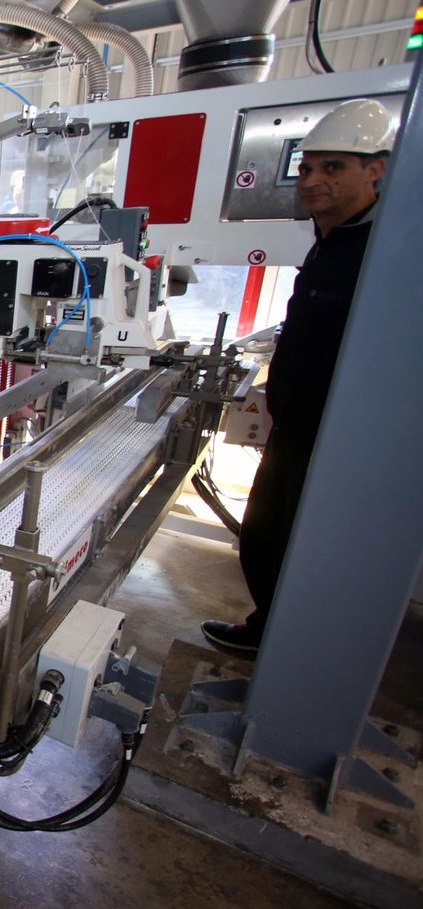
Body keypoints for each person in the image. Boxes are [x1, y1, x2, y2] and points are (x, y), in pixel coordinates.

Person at [202, 99, 394, 657]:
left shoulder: (384, 250)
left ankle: (295, 657)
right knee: (265, 536)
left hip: (342, 441)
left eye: (333, 167)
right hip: (297, 427)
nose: (312, 181)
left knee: (306, 548)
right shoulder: (329, 241)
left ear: (375, 170)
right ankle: (269, 633)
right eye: (307, 168)